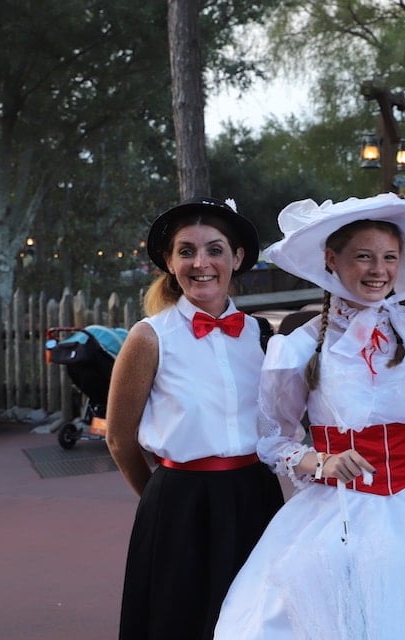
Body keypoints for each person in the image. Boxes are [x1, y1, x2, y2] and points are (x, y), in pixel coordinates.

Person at [215, 194, 405, 639]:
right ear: (332, 259)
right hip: (335, 515)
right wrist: (321, 462)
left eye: (389, 258)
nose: (378, 270)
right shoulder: (299, 348)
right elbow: (274, 440)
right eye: (363, 257)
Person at [105, 197, 284, 640]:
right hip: (179, 501)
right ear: (169, 261)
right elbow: (118, 439)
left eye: (215, 249)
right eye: (186, 251)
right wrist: (158, 500)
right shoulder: (149, 338)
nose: (201, 263)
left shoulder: (263, 336)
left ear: (237, 258)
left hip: (255, 496)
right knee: (178, 620)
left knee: (255, 618)